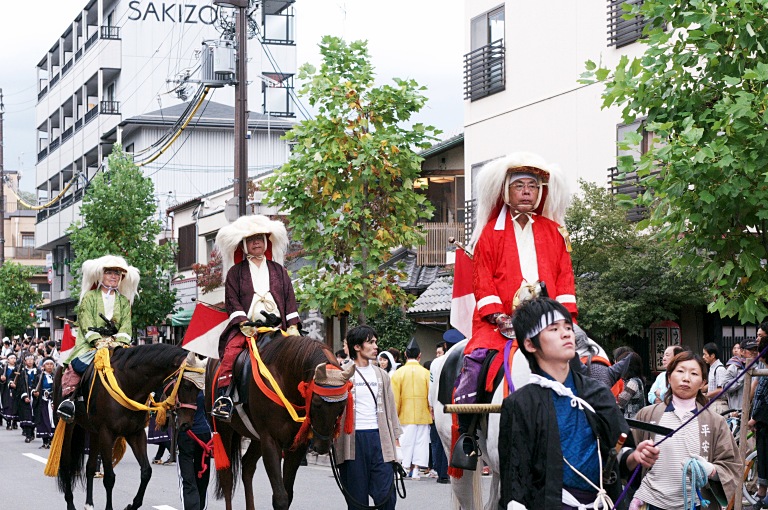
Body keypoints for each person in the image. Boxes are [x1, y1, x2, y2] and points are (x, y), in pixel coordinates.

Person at [454, 153, 576, 443]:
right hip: (499, 324)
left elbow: (565, 278)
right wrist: (499, 317)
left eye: (532, 187)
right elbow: (482, 281)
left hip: (552, 320)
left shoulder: (555, 232)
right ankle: (468, 435)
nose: (525, 192)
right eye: (519, 185)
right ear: (506, 191)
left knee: (594, 360)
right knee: (478, 362)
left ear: (540, 192)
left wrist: (564, 318)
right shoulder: (488, 235)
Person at [498, 297, 658, 509]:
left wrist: (635, 456)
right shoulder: (520, 404)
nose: (566, 333)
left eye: (567, 327)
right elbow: (515, 482)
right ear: (529, 343)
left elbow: (619, 453)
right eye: (553, 329)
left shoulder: (597, 393)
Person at [212, 215, 300, 421]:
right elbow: (232, 301)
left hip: (279, 327)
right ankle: (224, 398)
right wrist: (243, 323)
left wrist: (294, 326)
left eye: (260, 238)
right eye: (251, 239)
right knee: (230, 355)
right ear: (244, 245)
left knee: (303, 355)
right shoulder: (235, 273)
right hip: (247, 328)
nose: (256, 242)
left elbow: (289, 299)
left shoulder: (279, 271)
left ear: (266, 241)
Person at [632, 350, 742, 510]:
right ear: (669, 377)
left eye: (694, 373)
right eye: (680, 371)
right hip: (654, 500)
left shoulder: (715, 421)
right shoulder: (647, 414)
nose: (686, 378)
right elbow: (627, 456)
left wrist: (711, 470)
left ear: (703, 382)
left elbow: (732, 465)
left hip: (698, 502)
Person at [57, 255, 140, 422]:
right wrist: (97, 341)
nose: (114, 276)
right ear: (101, 275)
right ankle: (70, 400)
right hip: (90, 344)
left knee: (137, 365)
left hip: (117, 344)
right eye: (110, 272)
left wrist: (119, 342)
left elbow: (126, 325)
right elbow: (85, 322)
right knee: (78, 366)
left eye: (118, 274)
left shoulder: (124, 301)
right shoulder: (89, 297)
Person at [334, 325, 401, 510]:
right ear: (357, 347)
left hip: (380, 439)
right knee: (357, 501)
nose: (375, 346)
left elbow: (390, 409)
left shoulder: (382, 375)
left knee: (386, 497)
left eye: (375, 342)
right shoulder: (341, 375)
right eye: (370, 342)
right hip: (352, 442)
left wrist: (396, 443)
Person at [390, 338, 432, 480]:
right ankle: (416, 470)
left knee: (405, 442)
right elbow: (430, 396)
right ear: (420, 355)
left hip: (404, 414)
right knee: (421, 443)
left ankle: (404, 467)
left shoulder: (398, 373)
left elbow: (394, 399)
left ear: (405, 354)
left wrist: (393, 416)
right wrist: (431, 411)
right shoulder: (426, 373)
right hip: (422, 414)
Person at [616, 351, 645, 419]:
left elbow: (620, 403)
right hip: (638, 419)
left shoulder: (632, 383)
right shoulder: (638, 380)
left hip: (632, 422)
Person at [33, 358, 55, 448]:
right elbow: (34, 387)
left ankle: (52, 440)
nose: (49, 366)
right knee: (43, 421)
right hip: (43, 402)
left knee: (52, 421)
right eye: (47, 364)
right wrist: (35, 393)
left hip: (53, 402)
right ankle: (45, 441)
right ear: (43, 366)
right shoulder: (39, 376)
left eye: (51, 364)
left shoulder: (56, 376)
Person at [18, 353, 40, 443]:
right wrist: (25, 396)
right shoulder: (22, 372)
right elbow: (21, 385)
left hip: (35, 396)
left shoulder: (38, 372)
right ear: (25, 361)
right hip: (25, 396)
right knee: (26, 415)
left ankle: (32, 432)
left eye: (32, 359)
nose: (30, 361)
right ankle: (28, 434)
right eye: (28, 360)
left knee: (34, 415)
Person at [702, 342, 729, 415]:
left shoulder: (719, 369)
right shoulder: (712, 368)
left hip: (719, 404)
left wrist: (706, 395)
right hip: (713, 404)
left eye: (705, 354)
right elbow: (712, 384)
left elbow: (721, 390)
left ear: (713, 355)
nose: (703, 357)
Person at [1, 353, 20, 429]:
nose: (13, 360)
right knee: (8, 405)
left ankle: (15, 421)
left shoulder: (18, 368)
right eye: (11, 358)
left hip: (16, 389)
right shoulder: (4, 368)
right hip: (6, 389)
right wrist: (2, 379)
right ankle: (8, 422)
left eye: (14, 358)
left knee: (15, 404)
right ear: (8, 359)